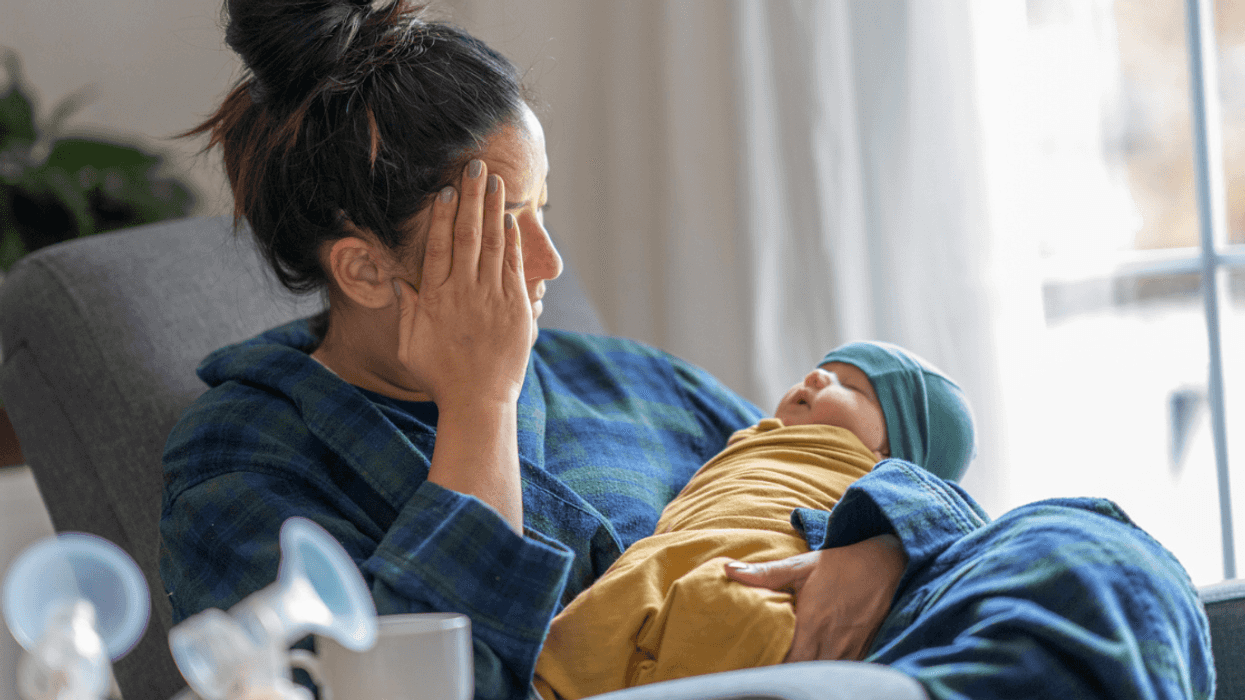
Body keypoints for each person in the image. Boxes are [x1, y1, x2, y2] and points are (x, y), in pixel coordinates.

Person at [159, 1, 1214, 699]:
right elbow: (425, 679)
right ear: (366, 269)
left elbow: (807, 468)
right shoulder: (240, 459)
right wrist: (478, 408)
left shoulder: (631, 379)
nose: (548, 257)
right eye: (502, 225)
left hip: (879, 658)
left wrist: (880, 541)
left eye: (547, 207)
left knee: (1096, 551)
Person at [533, 341, 976, 699]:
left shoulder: (885, 476)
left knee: (737, 614)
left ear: (891, 450)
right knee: (580, 639)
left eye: (853, 387)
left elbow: (947, 522)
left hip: (760, 565)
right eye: (824, 368)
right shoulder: (748, 437)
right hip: (663, 559)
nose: (817, 375)